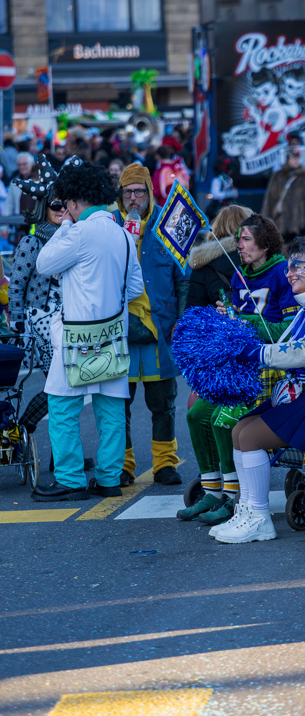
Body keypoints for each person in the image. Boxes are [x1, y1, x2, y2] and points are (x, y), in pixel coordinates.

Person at [211, 236, 305, 544]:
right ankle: (249, 510)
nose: (289, 272)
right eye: (289, 266)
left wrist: (258, 354)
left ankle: (259, 519)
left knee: (251, 437)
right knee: (240, 429)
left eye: (298, 266)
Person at [30, 162, 143, 502]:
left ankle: (70, 479)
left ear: (75, 202)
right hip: (112, 333)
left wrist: (64, 228)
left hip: (77, 333)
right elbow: (135, 287)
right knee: (110, 408)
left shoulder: (78, 232)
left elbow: (43, 264)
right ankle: (109, 478)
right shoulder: (123, 234)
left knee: (63, 406)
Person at [178, 213, 298, 525]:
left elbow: (288, 327)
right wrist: (225, 316)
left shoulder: (282, 274)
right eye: (239, 239)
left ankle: (236, 496)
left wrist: (248, 321)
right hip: (237, 365)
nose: (239, 245)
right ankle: (212, 491)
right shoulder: (238, 276)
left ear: (265, 245)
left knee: (222, 422)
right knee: (196, 416)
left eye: (245, 239)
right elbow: (235, 321)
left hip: (268, 369)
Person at [113, 164, 189, 486]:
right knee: (119, 406)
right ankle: (123, 466)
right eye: (128, 192)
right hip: (119, 331)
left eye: (139, 191)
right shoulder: (109, 226)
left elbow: (182, 279)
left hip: (162, 328)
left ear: (149, 192)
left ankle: (164, 464)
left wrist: (182, 322)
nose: (133, 198)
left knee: (163, 403)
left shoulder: (167, 225)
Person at [8, 156, 67, 438]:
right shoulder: (32, 242)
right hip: (41, 320)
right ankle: (24, 427)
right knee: (61, 385)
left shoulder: (73, 239)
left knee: (65, 389)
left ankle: (59, 454)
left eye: (65, 205)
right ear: (45, 207)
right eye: (56, 205)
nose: (61, 210)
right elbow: (16, 285)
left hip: (69, 320)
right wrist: (17, 322)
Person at [186, 204, 253, 310]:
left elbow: (195, 310)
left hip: (220, 324)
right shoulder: (259, 256)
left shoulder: (202, 262)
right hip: (261, 323)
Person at [261, 137, 305, 242]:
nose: (296, 160)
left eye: (298, 158)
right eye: (293, 158)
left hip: (298, 224)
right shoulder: (277, 176)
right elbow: (270, 198)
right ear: (287, 158)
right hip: (281, 221)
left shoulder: (303, 177)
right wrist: (265, 219)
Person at [3, 153, 36, 218]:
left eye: (24, 164)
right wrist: (4, 226)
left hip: (35, 222)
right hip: (19, 221)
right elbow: (9, 204)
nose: (22, 167)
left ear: (32, 164)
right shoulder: (14, 183)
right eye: (19, 165)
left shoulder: (39, 181)